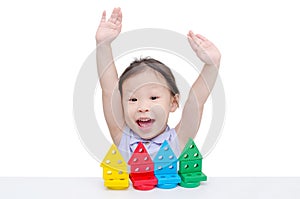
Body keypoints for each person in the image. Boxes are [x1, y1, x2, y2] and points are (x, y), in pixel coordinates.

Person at [95, 7, 221, 161]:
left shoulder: (178, 140)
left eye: (153, 97)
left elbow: (196, 102)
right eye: (133, 100)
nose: (143, 107)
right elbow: (109, 90)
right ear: (120, 106)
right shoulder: (122, 137)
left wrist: (211, 65)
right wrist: (103, 45)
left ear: (173, 103)